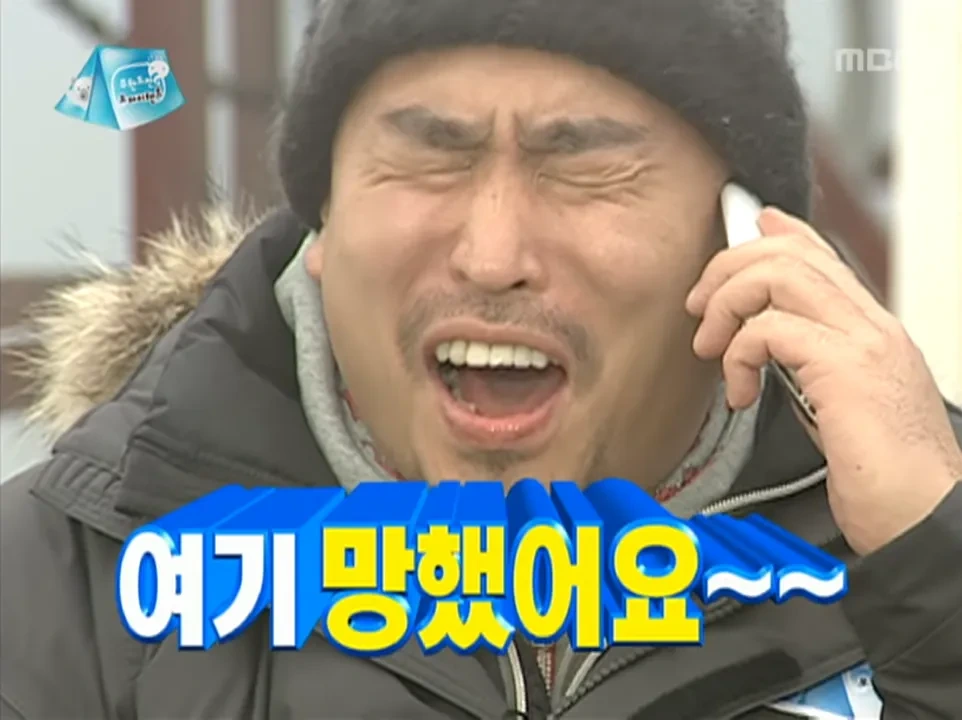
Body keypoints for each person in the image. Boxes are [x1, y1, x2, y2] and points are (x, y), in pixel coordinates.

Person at [2, 2, 961, 718]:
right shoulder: (60, 583)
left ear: (740, 234)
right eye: (430, 157)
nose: (492, 256)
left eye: (585, 166)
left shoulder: (922, 537)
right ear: (323, 218)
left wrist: (939, 588)